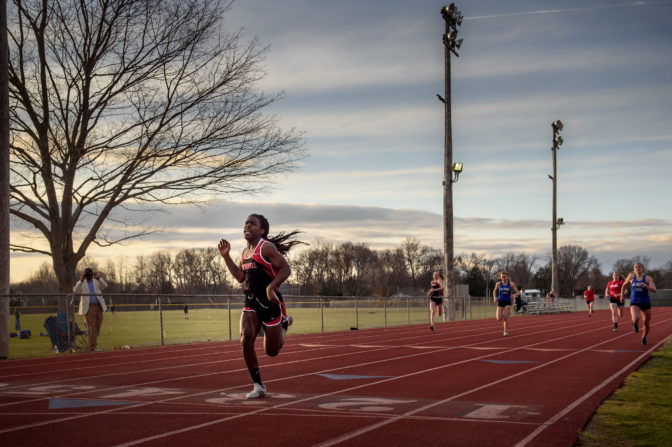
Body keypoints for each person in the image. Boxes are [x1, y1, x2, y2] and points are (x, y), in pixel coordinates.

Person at [218, 214, 305, 399]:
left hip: (270, 303)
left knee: (271, 352)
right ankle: (258, 386)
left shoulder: (266, 247)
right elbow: (240, 277)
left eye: (252, 223)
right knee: (245, 338)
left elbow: (286, 269)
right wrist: (226, 257)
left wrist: (271, 287)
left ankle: (283, 324)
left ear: (262, 230)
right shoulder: (244, 252)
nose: (247, 226)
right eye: (246, 223)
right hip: (250, 302)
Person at [73, 267, 108, 352]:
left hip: (98, 306)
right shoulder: (82, 283)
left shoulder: (96, 281)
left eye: (91, 274)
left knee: (97, 327)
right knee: (91, 327)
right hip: (89, 307)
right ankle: (92, 346)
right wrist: (81, 280)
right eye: (88, 275)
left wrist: (98, 278)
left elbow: (105, 285)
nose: (90, 276)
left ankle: (93, 345)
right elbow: (75, 290)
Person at [621, 263, 656, 345]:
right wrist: (622, 296)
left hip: (645, 302)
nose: (638, 268)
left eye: (639, 267)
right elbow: (624, 285)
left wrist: (645, 286)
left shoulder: (647, 278)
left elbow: (654, 290)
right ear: (634, 270)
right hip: (634, 301)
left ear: (643, 269)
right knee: (636, 318)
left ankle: (644, 337)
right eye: (636, 267)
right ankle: (634, 323)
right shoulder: (631, 278)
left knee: (646, 323)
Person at [493, 272, 520, 336]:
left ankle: (505, 331)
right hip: (500, 301)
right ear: (500, 278)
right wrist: (494, 297)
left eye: (504, 277)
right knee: (498, 319)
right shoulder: (498, 284)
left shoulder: (511, 284)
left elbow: (518, 292)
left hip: (507, 301)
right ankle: (504, 313)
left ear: (507, 277)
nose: (503, 278)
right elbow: (494, 291)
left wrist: (514, 295)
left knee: (505, 317)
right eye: (502, 277)